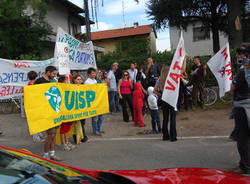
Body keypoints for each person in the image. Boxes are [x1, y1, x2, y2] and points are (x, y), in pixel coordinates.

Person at [35, 66, 62, 161]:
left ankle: (52, 154)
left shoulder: (53, 81)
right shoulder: (39, 81)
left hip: (53, 110)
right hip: (45, 112)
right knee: (51, 134)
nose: (55, 75)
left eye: (55, 74)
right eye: (53, 74)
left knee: (54, 134)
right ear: (47, 72)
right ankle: (45, 155)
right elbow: (35, 95)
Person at [230, 47, 250, 174]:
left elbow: (233, 87)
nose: (238, 57)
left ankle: (245, 166)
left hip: (243, 106)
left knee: (242, 137)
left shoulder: (244, 71)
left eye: (240, 55)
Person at [84, 67, 104, 136]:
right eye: (92, 73)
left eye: (94, 73)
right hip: (92, 102)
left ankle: (98, 129)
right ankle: (95, 130)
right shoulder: (87, 82)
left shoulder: (95, 81)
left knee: (101, 116)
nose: (94, 74)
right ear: (89, 74)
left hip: (98, 101)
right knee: (95, 117)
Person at [58, 75, 75, 151]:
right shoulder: (60, 89)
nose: (67, 82)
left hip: (69, 111)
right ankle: (64, 144)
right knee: (63, 128)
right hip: (63, 111)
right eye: (66, 80)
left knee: (67, 128)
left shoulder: (69, 88)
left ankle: (67, 141)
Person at [72, 75, 86, 144]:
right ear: (74, 80)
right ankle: (77, 139)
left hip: (82, 109)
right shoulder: (71, 88)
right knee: (76, 124)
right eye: (78, 79)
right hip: (75, 109)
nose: (79, 81)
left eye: (80, 79)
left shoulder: (83, 87)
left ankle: (83, 137)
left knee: (82, 123)